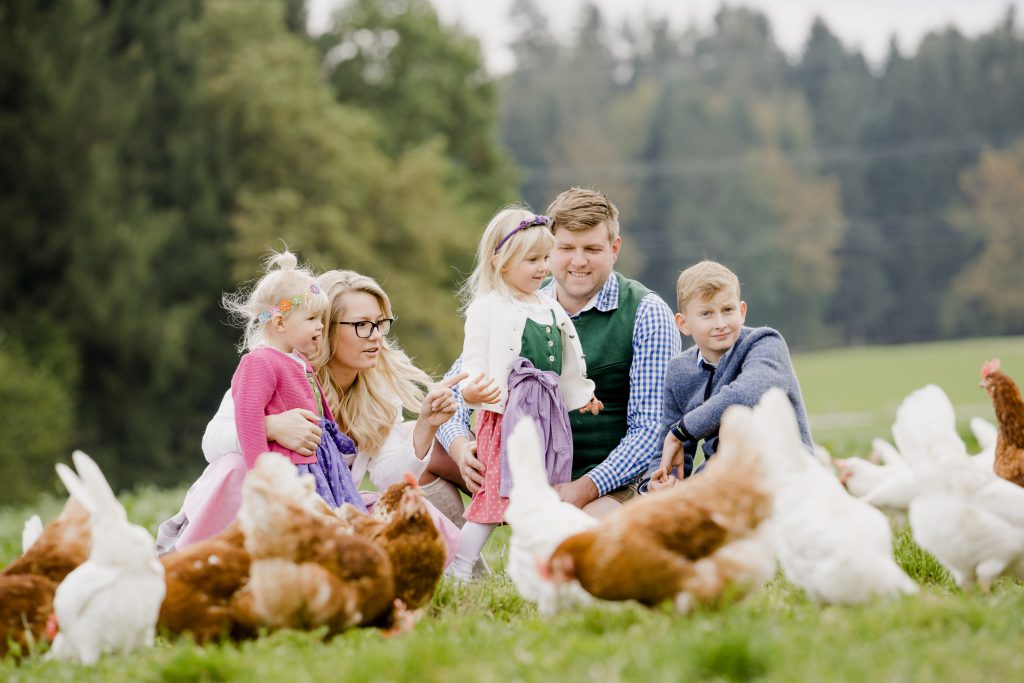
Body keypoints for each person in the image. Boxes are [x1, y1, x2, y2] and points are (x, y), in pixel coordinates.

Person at [157, 268, 463, 561]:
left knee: (417, 516)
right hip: (266, 505)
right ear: (324, 327)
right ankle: (194, 560)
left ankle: (370, 575)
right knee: (233, 466)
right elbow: (212, 441)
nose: (376, 337)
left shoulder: (380, 396)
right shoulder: (274, 367)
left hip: (330, 506)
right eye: (361, 325)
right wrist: (271, 426)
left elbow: (389, 480)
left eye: (380, 324)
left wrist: (426, 426)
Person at [437, 188, 680, 518]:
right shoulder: (515, 301)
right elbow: (454, 388)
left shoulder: (646, 311)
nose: (578, 261)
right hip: (519, 471)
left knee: (574, 542)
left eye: (592, 249)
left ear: (614, 249)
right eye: (565, 248)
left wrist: (582, 489)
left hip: (607, 483)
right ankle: (454, 548)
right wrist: (459, 447)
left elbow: (650, 430)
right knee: (420, 448)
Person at [445, 207, 602, 581]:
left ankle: (536, 568)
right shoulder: (489, 307)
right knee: (497, 493)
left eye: (545, 258)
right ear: (500, 262)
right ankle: (460, 564)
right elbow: (474, 359)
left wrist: (582, 395)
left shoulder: (548, 305)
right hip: (507, 416)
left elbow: (567, 361)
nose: (543, 268)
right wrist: (472, 390)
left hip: (547, 414)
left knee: (540, 491)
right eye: (532, 260)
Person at [646, 260, 814, 491]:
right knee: (662, 504)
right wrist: (658, 481)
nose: (721, 323)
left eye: (727, 310)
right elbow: (669, 445)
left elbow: (748, 393)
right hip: (722, 479)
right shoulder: (679, 370)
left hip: (785, 476)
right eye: (706, 313)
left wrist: (682, 430)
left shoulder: (765, 343)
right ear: (683, 324)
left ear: (742, 311)